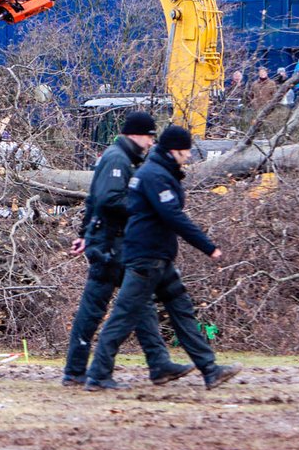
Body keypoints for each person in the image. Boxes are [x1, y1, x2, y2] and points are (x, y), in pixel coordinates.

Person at [85, 126, 241, 391]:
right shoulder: (154, 175)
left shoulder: (160, 172)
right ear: (174, 151)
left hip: (159, 256)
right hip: (146, 257)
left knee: (182, 311)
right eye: (186, 151)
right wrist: (207, 246)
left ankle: (208, 369)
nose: (190, 156)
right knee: (123, 316)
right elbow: (173, 216)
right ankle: (98, 375)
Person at [63, 112, 191, 387]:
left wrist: (84, 233)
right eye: (148, 137)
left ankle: (158, 364)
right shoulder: (117, 159)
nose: (150, 143)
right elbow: (108, 199)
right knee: (99, 307)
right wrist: (145, 205)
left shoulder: (120, 158)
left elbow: (92, 200)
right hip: (110, 245)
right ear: (135, 134)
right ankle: (78, 371)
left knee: (139, 301)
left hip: (112, 242)